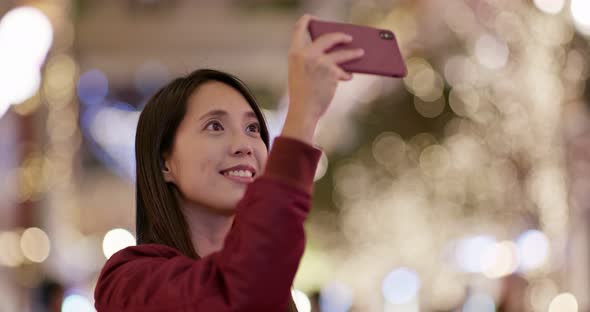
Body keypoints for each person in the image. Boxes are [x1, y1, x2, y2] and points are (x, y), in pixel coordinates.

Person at [94, 14, 364, 311]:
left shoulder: (278, 288)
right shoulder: (129, 282)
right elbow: (233, 293)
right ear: (164, 162)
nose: (244, 146)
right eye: (215, 126)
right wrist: (303, 116)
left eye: (252, 129)